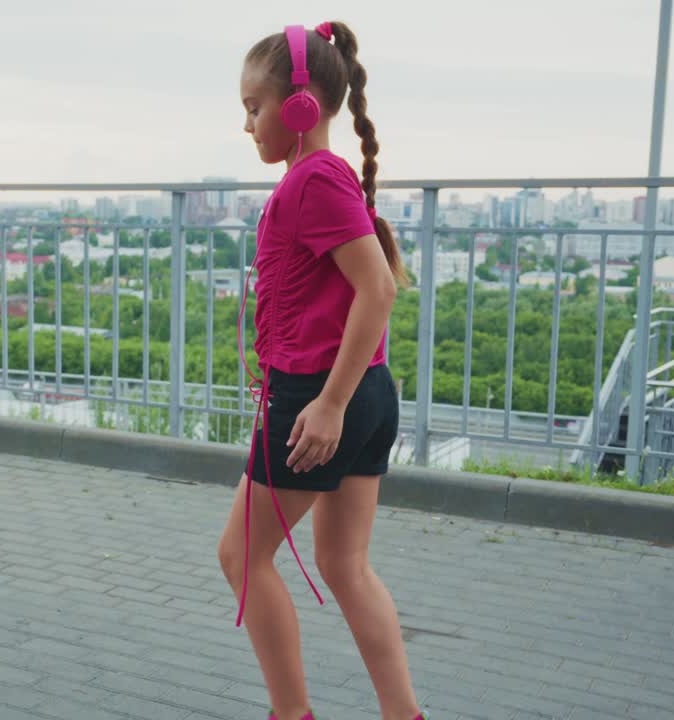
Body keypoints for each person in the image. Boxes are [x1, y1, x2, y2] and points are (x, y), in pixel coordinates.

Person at [217, 22, 427, 720]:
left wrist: (329, 404)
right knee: (344, 566)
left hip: (319, 399)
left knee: (241, 559)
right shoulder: (322, 180)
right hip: (363, 392)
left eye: (255, 106)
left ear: (301, 105)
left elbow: (379, 289)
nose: (247, 123)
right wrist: (345, 400)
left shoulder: (313, 182)